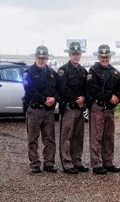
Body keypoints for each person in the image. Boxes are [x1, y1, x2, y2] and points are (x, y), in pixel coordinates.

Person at [87, 44, 120, 175]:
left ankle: (108, 162)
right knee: (96, 137)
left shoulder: (115, 72)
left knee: (109, 137)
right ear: (98, 57)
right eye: (102, 57)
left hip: (110, 109)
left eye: (106, 56)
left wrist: (118, 98)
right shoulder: (93, 71)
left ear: (110, 57)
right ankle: (96, 164)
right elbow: (92, 90)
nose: (104, 59)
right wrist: (109, 96)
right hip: (98, 108)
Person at [22, 45, 58, 174]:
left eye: (44, 58)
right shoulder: (28, 73)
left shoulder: (53, 74)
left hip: (48, 111)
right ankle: (34, 163)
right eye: (39, 57)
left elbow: (57, 90)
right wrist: (44, 99)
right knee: (33, 139)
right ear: (35, 57)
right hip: (35, 110)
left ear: (47, 58)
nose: (41, 60)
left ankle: (49, 163)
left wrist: (54, 99)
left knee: (49, 139)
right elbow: (29, 90)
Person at [57, 41, 89, 174]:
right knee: (66, 137)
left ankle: (77, 161)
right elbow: (62, 89)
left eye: (78, 54)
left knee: (78, 137)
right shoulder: (63, 70)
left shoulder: (83, 71)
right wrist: (77, 100)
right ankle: (67, 163)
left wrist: (84, 98)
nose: (76, 56)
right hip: (69, 108)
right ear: (69, 54)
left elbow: (87, 88)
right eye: (74, 54)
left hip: (80, 109)